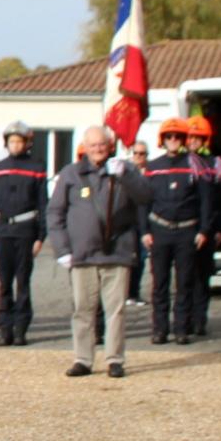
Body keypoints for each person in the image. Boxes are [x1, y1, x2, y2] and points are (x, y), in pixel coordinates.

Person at [48, 125, 152, 378]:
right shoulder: (70, 174)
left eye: (102, 145)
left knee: (115, 310)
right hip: (82, 254)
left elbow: (145, 196)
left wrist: (126, 175)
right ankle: (83, 359)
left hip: (117, 252)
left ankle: (115, 359)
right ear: (85, 147)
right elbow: (55, 213)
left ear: (110, 146)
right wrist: (62, 248)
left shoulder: (124, 169)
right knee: (83, 309)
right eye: (93, 145)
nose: (98, 150)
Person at [139, 118, 211, 347]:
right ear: (163, 140)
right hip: (159, 230)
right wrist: (144, 231)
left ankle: (182, 329)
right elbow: (143, 202)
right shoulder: (152, 167)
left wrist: (204, 230)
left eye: (178, 136)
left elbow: (206, 201)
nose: (173, 140)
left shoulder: (195, 165)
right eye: (169, 136)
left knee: (184, 284)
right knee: (159, 284)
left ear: (183, 139)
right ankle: (160, 329)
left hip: (186, 231)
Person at [0, 120, 48, 347]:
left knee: (23, 283)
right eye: (12, 141)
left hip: (25, 232)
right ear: (7, 143)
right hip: (2, 232)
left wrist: (41, 236)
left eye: (19, 141)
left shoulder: (37, 168)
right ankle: (5, 329)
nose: (16, 145)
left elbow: (43, 204)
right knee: (4, 283)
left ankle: (21, 330)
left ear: (27, 143)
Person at [186, 115, 221, 336]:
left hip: (209, 227)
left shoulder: (217, 165)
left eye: (198, 138)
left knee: (203, 277)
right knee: (185, 277)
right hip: (184, 228)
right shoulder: (180, 163)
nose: (193, 141)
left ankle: (199, 320)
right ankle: (183, 320)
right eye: (191, 137)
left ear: (205, 140)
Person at [124, 141, 150, 306]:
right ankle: (126, 293)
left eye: (142, 154)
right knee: (127, 259)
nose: (139, 157)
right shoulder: (126, 173)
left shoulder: (151, 173)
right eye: (136, 153)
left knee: (141, 258)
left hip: (145, 222)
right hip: (128, 221)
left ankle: (134, 292)